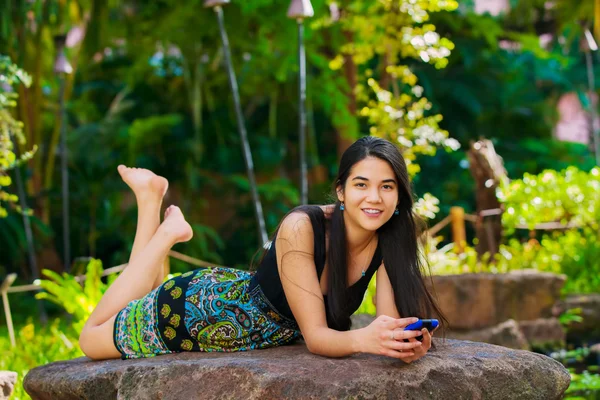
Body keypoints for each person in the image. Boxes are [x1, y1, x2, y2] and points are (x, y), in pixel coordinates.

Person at [79, 136, 445, 362]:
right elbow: (317, 338)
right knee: (90, 339)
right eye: (361, 184)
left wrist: (406, 343)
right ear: (341, 190)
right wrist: (364, 339)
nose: (374, 198)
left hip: (231, 301)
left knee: (129, 305)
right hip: (200, 312)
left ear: (399, 195)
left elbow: (387, 322)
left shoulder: (391, 236)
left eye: (387, 187)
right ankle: (164, 233)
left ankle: (149, 198)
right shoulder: (302, 227)